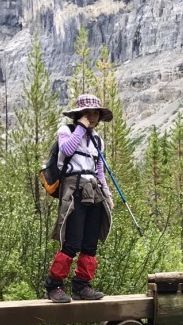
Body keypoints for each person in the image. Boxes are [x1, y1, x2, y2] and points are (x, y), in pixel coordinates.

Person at [45, 94, 114, 303]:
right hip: (73, 188)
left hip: (94, 190)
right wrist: (81, 129)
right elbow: (66, 150)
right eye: (87, 113)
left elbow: (99, 170)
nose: (92, 117)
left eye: (95, 113)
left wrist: (107, 194)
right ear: (79, 115)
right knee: (72, 241)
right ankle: (54, 286)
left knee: (90, 241)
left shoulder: (97, 140)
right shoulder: (66, 131)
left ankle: (82, 286)